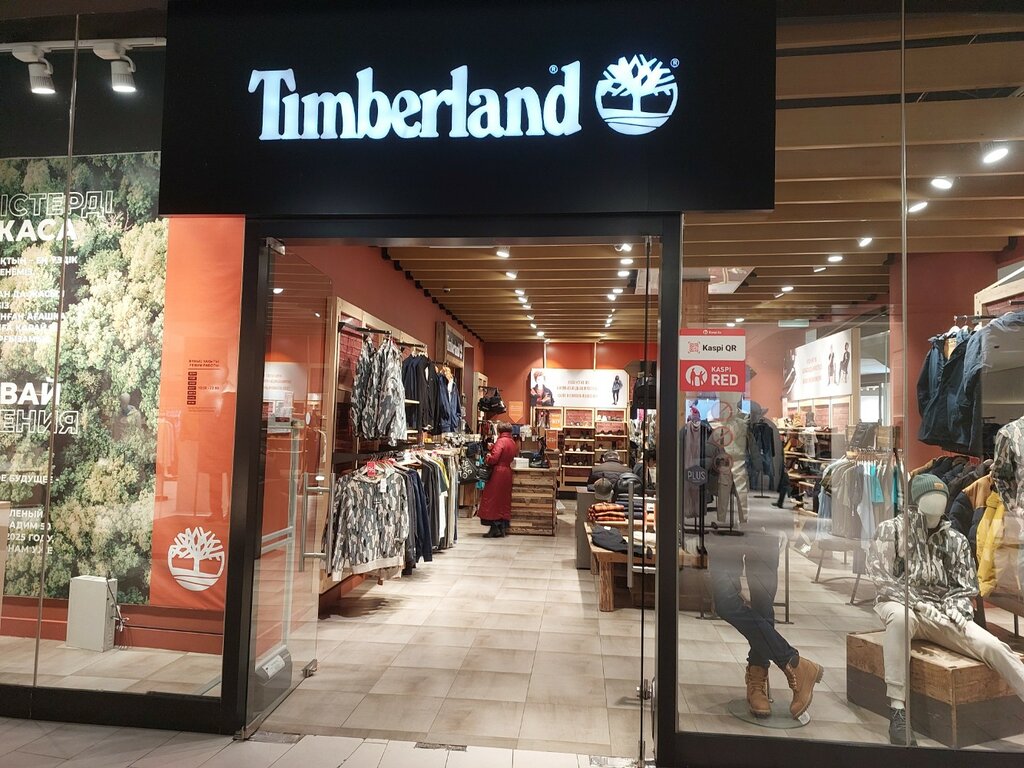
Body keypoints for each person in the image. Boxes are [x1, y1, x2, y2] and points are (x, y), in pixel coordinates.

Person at [867, 474, 1024, 745]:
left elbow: (965, 586)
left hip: (942, 612)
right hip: (902, 605)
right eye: (931, 495)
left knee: (992, 645)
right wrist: (915, 602)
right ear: (916, 500)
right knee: (901, 618)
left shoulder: (956, 540)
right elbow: (880, 576)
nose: (938, 502)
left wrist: (955, 609)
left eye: (942, 496)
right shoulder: (891, 530)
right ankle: (898, 709)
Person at [710, 528, 824, 720]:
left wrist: (782, 524)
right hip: (723, 524)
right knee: (725, 602)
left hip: (764, 523)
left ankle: (757, 675)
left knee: (763, 604)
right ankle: (793, 662)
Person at [477, 423, 517, 537]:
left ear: (499, 430)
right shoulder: (512, 442)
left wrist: (488, 456)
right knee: (503, 500)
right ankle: (502, 527)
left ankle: (494, 527)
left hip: (497, 473)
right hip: (507, 472)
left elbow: (494, 459)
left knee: (493, 500)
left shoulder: (501, 441)